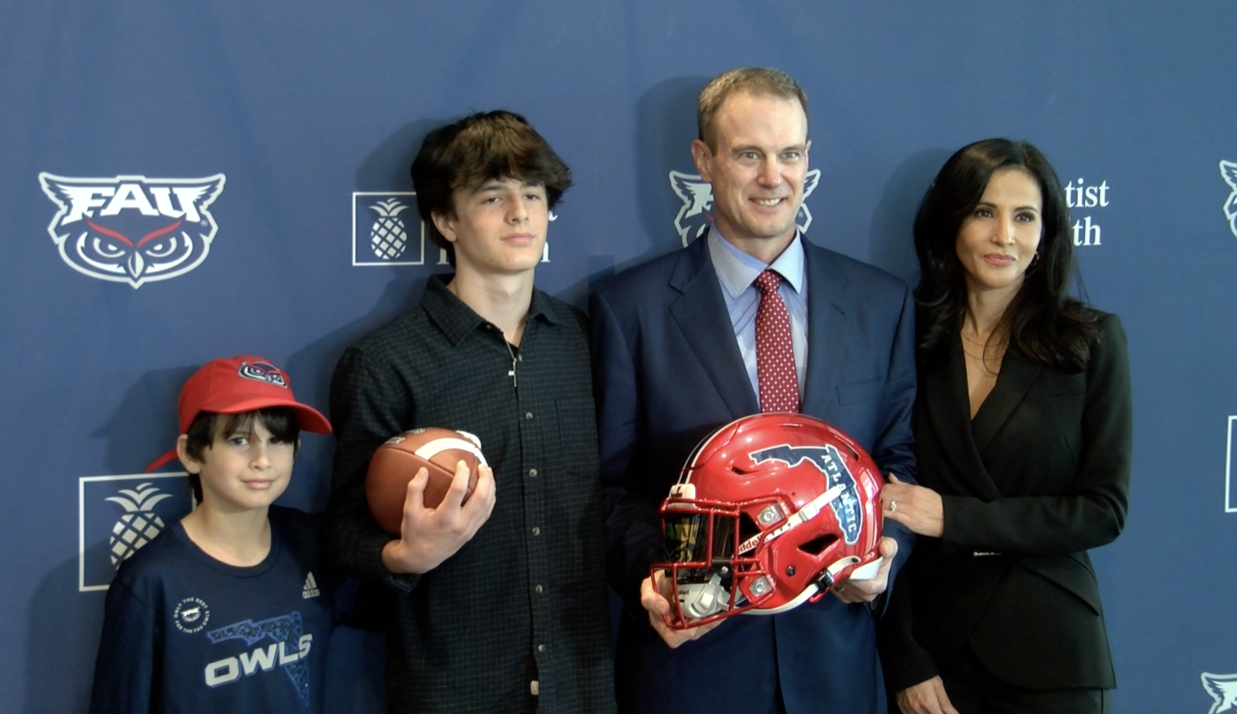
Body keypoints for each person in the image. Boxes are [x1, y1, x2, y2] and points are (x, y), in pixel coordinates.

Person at [590, 67, 918, 714]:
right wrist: (667, 579)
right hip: (693, 671)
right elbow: (608, 488)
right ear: (703, 160)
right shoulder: (630, 308)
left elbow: (896, 461)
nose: (774, 177)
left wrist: (887, 557)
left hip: (836, 669)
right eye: (749, 155)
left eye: (789, 154)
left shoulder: (881, 304)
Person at [323, 110, 615, 714]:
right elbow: (344, 532)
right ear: (445, 220)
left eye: (532, 195)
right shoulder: (385, 362)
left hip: (580, 680)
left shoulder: (589, 344)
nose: (520, 214)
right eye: (492, 196)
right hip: (454, 687)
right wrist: (403, 557)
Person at [876, 138, 1131, 714]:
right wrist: (904, 656)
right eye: (984, 212)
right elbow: (873, 508)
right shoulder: (898, 336)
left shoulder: (1091, 343)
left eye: (1024, 217)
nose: (1004, 236)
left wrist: (953, 516)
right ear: (951, 220)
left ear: (1047, 233)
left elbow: (1103, 509)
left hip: (1052, 651)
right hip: (934, 657)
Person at [89, 355, 335, 714]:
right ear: (191, 453)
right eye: (239, 440)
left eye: (278, 440)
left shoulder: (313, 543)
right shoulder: (153, 580)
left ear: (296, 450)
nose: (262, 459)